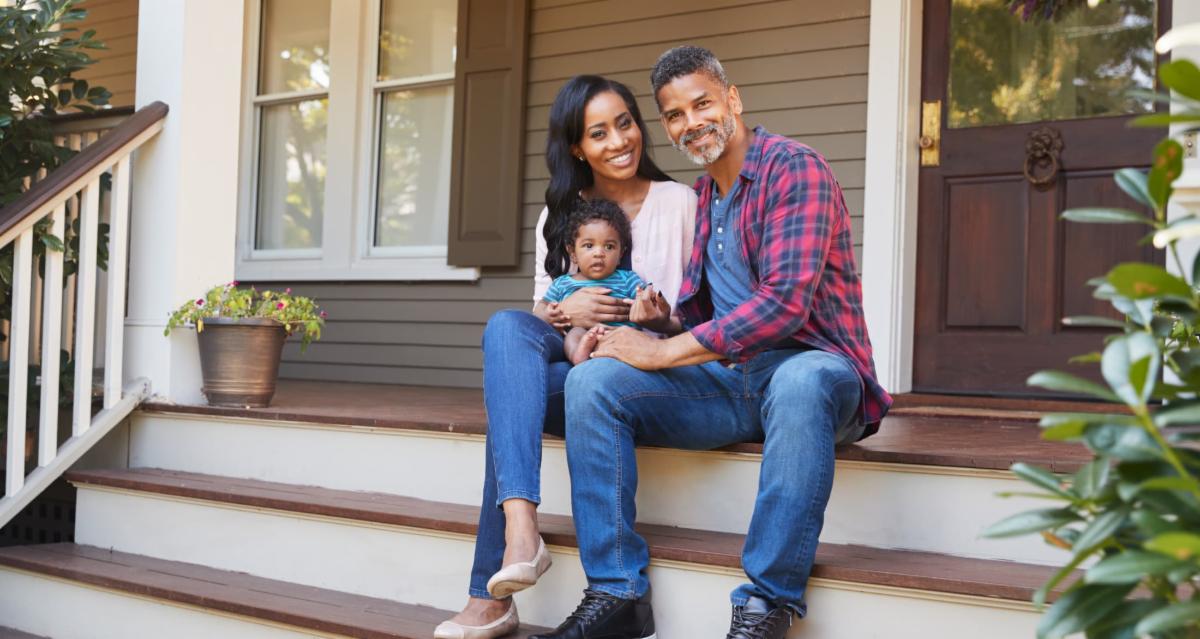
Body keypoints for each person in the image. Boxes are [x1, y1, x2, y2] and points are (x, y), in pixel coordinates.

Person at [530, 47, 892, 639]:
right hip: (732, 381)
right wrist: (656, 324)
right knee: (592, 380)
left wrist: (665, 352)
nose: (691, 121)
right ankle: (617, 591)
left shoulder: (793, 168)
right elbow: (703, 317)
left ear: (733, 99)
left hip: (815, 370)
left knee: (801, 380)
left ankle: (765, 604)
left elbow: (782, 306)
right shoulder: (707, 200)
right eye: (675, 114)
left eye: (702, 103)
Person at [434, 75, 696, 639]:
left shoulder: (679, 203)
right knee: (508, 328)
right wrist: (567, 307)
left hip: (643, 371)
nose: (618, 141)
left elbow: (702, 314)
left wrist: (658, 319)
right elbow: (538, 313)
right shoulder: (558, 216)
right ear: (577, 147)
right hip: (577, 359)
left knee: (512, 406)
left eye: (624, 123)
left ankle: (489, 596)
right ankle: (522, 528)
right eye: (598, 133)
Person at [541, 199, 674, 364]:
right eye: (589, 245)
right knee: (575, 333)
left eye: (609, 247)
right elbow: (541, 309)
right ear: (573, 253)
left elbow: (646, 298)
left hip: (619, 339)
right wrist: (550, 314)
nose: (599, 253)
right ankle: (578, 354)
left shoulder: (627, 279)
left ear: (621, 254)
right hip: (583, 336)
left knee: (632, 334)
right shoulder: (562, 284)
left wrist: (647, 301)